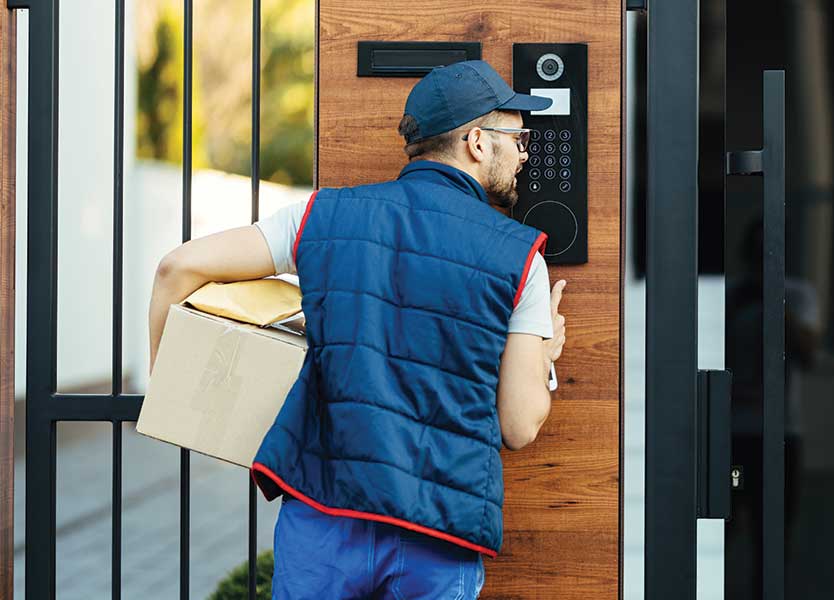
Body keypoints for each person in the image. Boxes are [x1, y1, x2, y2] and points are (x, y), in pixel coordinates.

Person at [148, 59, 567, 599]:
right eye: (519, 136)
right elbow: (519, 424)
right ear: (478, 143)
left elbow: (174, 269)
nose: (526, 151)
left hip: (323, 517)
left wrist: (168, 398)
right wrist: (545, 352)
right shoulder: (520, 258)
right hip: (437, 532)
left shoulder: (319, 217)